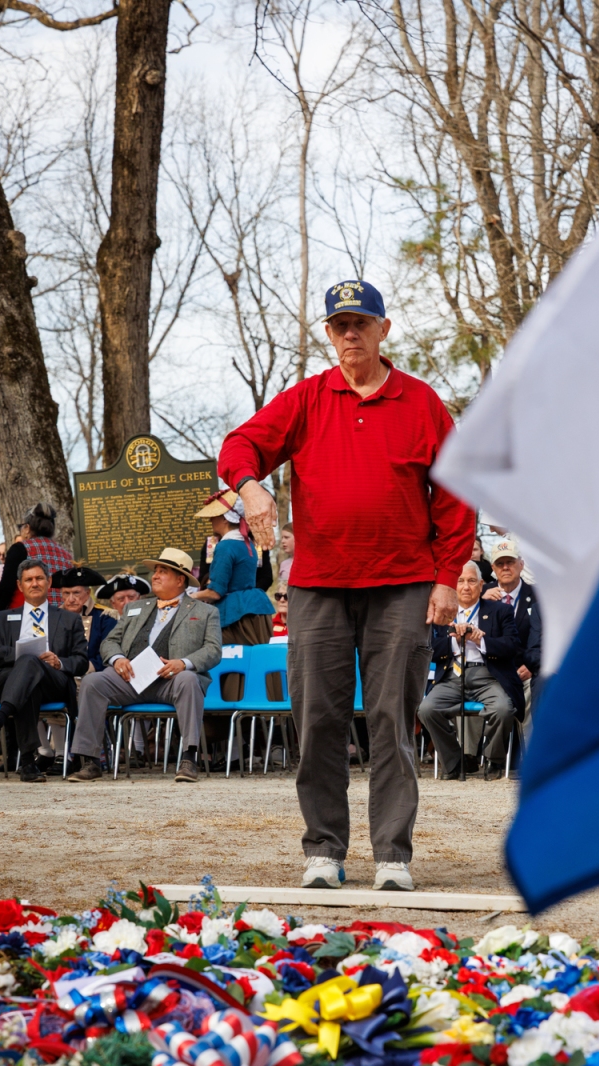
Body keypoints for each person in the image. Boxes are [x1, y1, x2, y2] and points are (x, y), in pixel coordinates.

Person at [219, 278, 475, 892]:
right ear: (329, 335)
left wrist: (446, 577)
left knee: (392, 721)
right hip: (318, 586)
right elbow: (240, 444)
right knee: (317, 719)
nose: (350, 333)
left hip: (403, 585)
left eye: (361, 322)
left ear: (384, 329)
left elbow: (457, 495)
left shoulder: (421, 403)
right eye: (340, 325)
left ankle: (392, 856)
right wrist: (250, 486)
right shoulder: (307, 399)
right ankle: (323, 851)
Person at [69, 548, 222, 785]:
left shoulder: (206, 611)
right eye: (156, 571)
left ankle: (189, 758)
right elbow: (110, 641)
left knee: (190, 679)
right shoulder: (135, 608)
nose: (155, 576)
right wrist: (118, 659)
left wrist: (183, 663)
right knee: (92, 682)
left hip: (172, 681)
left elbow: (213, 650)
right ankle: (90, 761)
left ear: (180, 580)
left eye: (163, 571)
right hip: (130, 680)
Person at [0, 559, 88, 782]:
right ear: (20, 586)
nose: (35, 583)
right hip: (9, 681)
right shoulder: (1, 618)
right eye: (29, 580)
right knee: (29, 676)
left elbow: (81, 661)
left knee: (30, 673)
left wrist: (59, 662)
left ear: (48, 582)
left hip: (53, 681)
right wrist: (22, 655)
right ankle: (28, 762)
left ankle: (1, 724)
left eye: (39, 578)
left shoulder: (69, 619)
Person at [418, 561, 524, 781]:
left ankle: (493, 758)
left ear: (482, 585)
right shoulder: (442, 611)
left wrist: (480, 641)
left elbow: (512, 646)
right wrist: (455, 642)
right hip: (451, 676)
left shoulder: (500, 611)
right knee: (426, 710)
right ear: (453, 585)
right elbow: (427, 648)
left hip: (487, 675)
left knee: (503, 709)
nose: (466, 587)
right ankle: (456, 761)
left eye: (472, 581)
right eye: (460, 581)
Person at [193, 490, 275, 644]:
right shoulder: (247, 544)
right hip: (254, 609)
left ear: (225, 519)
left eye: (214, 515)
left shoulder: (226, 546)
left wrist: (188, 597)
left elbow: (215, 592)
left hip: (236, 615)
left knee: (231, 656)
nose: (210, 520)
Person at [482, 536, 542, 681]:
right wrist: (481, 604)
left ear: (521, 564)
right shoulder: (480, 595)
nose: (505, 567)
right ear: (493, 568)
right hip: (487, 673)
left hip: (525, 672)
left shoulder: (538, 596)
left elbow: (545, 638)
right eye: (500, 563)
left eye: (510, 562)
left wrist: (532, 665)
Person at [0, 503, 74, 610]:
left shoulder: (20, 549)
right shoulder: (67, 555)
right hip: (62, 614)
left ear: (27, 528)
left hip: (29, 615)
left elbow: (6, 588)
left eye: (21, 527)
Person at [53, 567, 117, 672]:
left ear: (88, 593)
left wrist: (85, 670)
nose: (71, 599)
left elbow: (108, 652)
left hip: (92, 674)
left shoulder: (105, 617)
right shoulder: (54, 617)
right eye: (66, 593)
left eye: (76, 593)